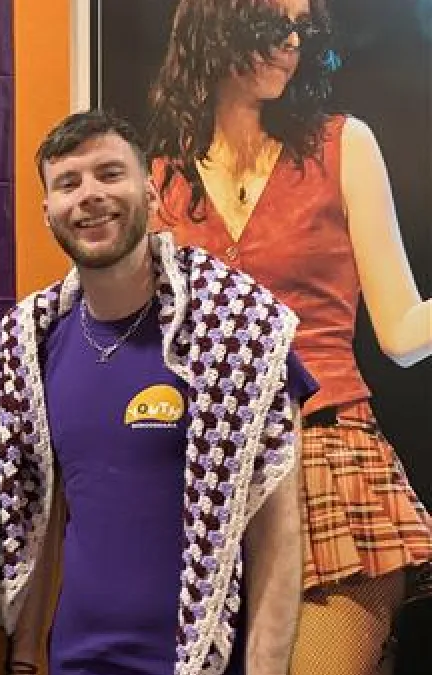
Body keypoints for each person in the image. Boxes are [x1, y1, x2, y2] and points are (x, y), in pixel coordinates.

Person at [146, 1, 432, 672]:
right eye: (271, 24)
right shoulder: (162, 177)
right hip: (206, 471)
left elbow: (402, 332)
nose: (290, 43)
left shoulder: (342, 143)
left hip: (326, 453)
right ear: (212, 27)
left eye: (302, 27)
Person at [0, 110, 318, 675]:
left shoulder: (238, 331)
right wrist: (24, 656)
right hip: (76, 661)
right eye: (68, 183)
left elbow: (278, 533)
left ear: (149, 186)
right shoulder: (31, 345)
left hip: (202, 663)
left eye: (109, 174)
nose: (90, 196)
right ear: (47, 210)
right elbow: (41, 515)